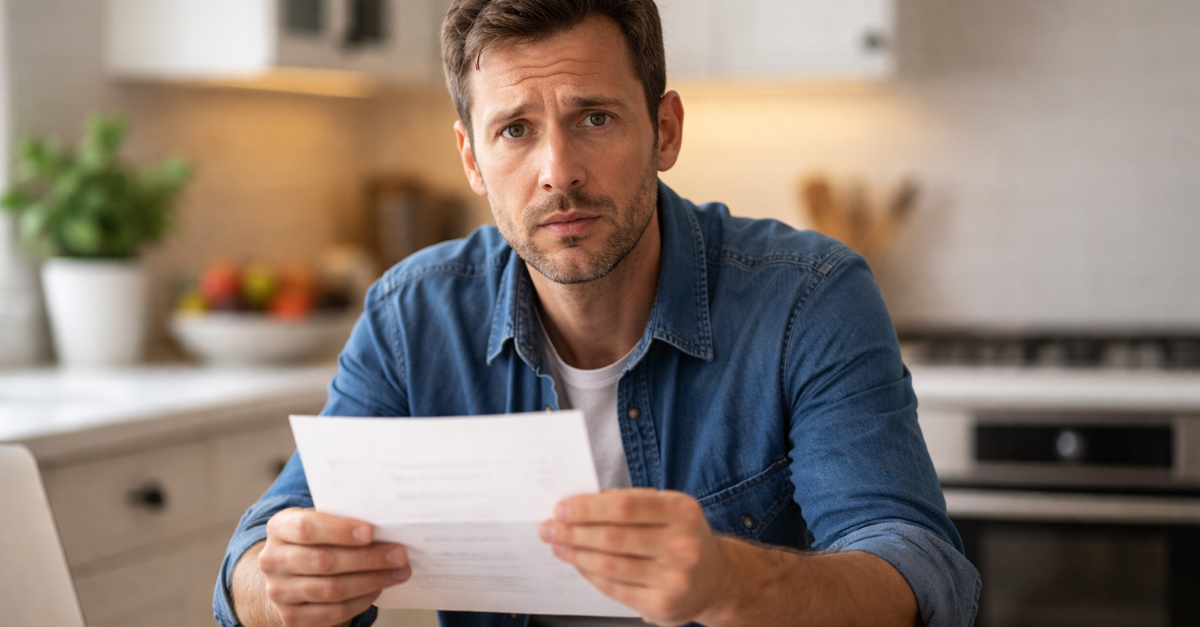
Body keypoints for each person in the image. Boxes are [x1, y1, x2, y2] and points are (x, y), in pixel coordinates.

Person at [214, 1, 980, 626]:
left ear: (665, 130)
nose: (558, 173)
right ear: (472, 159)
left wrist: (732, 583)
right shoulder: (411, 317)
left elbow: (918, 568)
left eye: (595, 119)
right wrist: (279, 585)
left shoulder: (810, 297)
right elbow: (252, 560)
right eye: (515, 129)